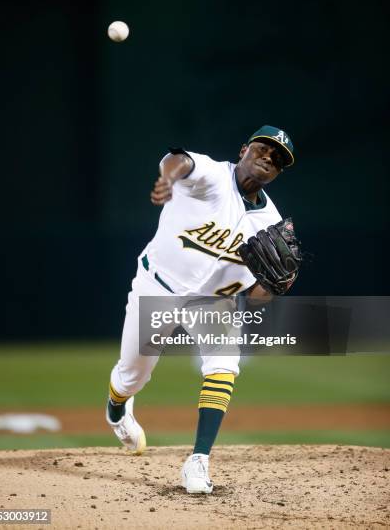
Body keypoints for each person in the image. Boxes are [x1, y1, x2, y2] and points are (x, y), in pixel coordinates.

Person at [106, 125, 296, 493]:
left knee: (224, 363)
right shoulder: (212, 176)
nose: (267, 159)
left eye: (277, 160)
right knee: (132, 376)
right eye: (263, 149)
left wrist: (274, 288)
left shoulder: (270, 222)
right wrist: (167, 177)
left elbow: (252, 295)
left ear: (278, 173)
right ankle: (116, 406)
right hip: (155, 289)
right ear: (244, 150)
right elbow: (178, 160)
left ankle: (199, 461)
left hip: (210, 302)